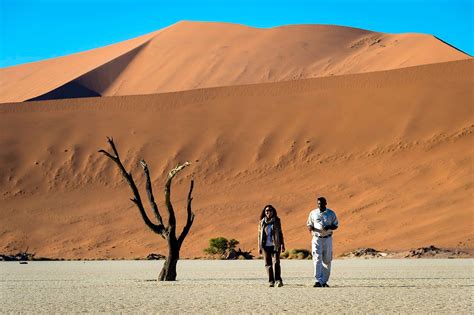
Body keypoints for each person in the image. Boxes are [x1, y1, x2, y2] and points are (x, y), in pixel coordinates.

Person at [306, 196, 338, 287]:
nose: (320, 205)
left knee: (327, 260)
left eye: (322, 203)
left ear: (326, 203)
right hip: (317, 238)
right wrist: (310, 228)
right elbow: (309, 224)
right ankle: (318, 280)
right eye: (318, 203)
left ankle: (324, 281)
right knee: (317, 259)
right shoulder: (313, 213)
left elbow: (336, 225)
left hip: (327, 239)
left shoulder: (331, 213)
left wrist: (329, 227)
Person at [258, 204, 286, 287]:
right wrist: (259, 246)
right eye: (266, 210)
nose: (268, 212)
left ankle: (278, 280)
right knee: (268, 264)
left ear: (273, 212)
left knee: (276, 262)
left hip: (275, 245)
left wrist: (282, 244)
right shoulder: (261, 222)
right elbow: (259, 235)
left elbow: (280, 233)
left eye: (270, 210)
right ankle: (271, 281)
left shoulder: (277, 221)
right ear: (264, 212)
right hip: (265, 246)